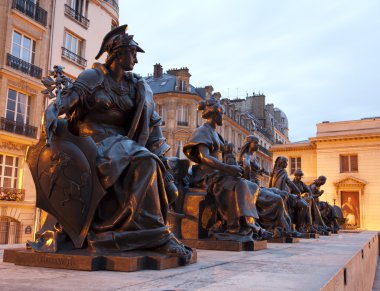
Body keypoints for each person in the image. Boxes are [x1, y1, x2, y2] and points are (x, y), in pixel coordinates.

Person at [32, 25, 192, 262]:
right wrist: (53, 111)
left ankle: (137, 232)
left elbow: (153, 121)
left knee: (147, 160)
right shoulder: (93, 77)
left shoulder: (136, 86)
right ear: (117, 52)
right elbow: (69, 99)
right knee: (144, 161)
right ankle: (155, 235)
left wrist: (162, 157)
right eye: (133, 53)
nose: (136, 59)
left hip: (123, 144)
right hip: (92, 142)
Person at [183, 96, 272, 240]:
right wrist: (228, 169)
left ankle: (249, 223)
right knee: (240, 183)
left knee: (250, 185)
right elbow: (205, 157)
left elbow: (221, 158)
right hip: (206, 176)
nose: (222, 118)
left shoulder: (216, 134)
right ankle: (235, 226)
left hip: (217, 173)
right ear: (214, 113)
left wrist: (228, 157)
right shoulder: (203, 131)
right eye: (221, 114)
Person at [237, 135, 293, 238]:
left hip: (258, 187)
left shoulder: (252, 157)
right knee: (278, 199)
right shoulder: (246, 157)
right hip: (252, 188)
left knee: (283, 194)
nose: (258, 145)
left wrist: (260, 171)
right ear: (250, 143)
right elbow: (246, 172)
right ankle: (282, 227)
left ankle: (285, 226)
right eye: (256, 143)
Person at [269, 156, 307, 236]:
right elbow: (290, 183)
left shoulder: (274, 172)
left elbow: (269, 185)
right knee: (303, 206)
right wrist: (298, 191)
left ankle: (295, 228)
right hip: (281, 195)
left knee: (302, 205)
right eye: (286, 162)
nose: (287, 164)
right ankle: (294, 228)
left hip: (276, 194)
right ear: (281, 163)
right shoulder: (283, 172)